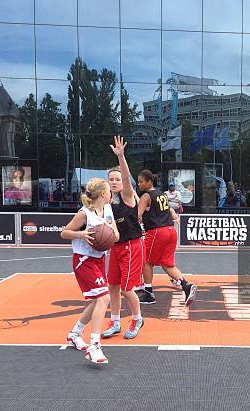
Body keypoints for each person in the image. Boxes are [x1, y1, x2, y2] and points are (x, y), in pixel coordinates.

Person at [60, 178, 119, 364]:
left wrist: (111, 233)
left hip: (100, 259)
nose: (112, 193)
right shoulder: (84, 214)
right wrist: (81, 234)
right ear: (103, 194)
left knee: (97, 301)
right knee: (104, 298)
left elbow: (115, 235)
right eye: (109, 190)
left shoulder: (108, 209)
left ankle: (75, 333)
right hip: (83, 260)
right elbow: (63, 232)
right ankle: (94, 345)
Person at [101, 136, 145, 340]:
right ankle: (115, 321)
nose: (115, 181)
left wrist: (121, 157)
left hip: (132, 246)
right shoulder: (106, 202)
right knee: (113, 286)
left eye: (117, 179)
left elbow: (127, 178)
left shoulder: (128, 197)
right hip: (116, 247)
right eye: (111, 179)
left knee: (128, 289)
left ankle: (137, 319)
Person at [135, 169, 197, 306]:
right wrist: (174, 216)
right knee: (167, 264)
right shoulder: (161, 194)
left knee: (146, 261)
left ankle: (148, 292)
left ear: (149, 182)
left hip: (157, 232)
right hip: (170, 230)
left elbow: (137, 216)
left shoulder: (146, 197)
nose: (139, 184)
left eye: (141, 181)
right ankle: (186, 285)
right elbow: (169, 209)